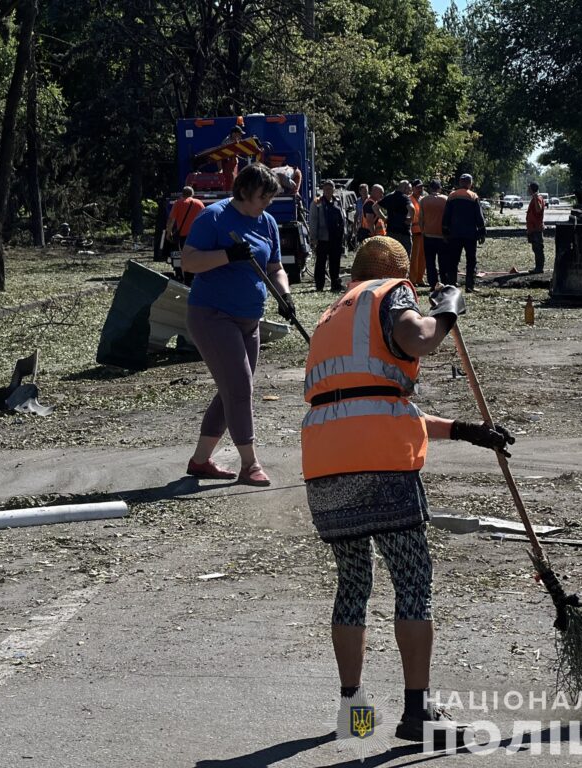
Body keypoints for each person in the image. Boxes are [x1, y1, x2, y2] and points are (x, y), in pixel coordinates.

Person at [301, 235, 515, 743]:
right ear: (402, 274)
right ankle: (417, 714)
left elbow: (375, 402)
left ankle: (353, 711)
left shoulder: (334, 315)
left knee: (353, 585)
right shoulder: (392, 293)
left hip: (326, 466)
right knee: (413, 584)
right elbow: (419, 339)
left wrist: (463, 430)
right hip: (382, 471)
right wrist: (448, 311)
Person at [181, 163, 293, 487]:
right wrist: (227, 255)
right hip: (213, 315)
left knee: (230, 391)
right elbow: (189, 261)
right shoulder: (213, 217)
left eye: (271, 197)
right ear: (244, 191)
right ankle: (250, 464)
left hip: (250, 320)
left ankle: (200, 461)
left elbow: (275, 267)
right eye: (263, 196)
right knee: (240, 387)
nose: (268, 203)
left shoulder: (268, 222)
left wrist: (286, 296)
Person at [441, 173, 486, 291]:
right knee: (471, 260)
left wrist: (445, 232)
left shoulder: (452, 196)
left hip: (454, 234)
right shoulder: (473, 196)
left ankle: (452, 285)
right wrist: (482, 232)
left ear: (460, 183)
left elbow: (446, 216)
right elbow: (479, 216)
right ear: (470, 183)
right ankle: (469, 286)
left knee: (453, 260)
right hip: (470, 235)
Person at [309, 180, 346, 292]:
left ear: (334, 190)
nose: (328, 191)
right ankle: (319, 285)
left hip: (335, 238)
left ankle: (335, 284)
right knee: (320, 262)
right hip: (322, 238)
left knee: (335, 262)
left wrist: (343, 235)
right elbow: (313, 220)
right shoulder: (317, 202)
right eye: (325, 189)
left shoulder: (337, 201)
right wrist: (314, 238)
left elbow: (342, 218)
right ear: (323, 190)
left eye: (330, 189)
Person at [167, 186, 205, 284]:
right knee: (196, 256)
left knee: (185, 257)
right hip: (197, 235)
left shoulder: (178, 203)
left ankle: (187, 280)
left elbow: (171, 220)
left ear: (182, 194)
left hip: (184, 236)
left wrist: (169, 232)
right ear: (192, 194)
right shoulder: (199, 203)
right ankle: (196, 277)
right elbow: (205, 219)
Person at [418, 180, 447, 289]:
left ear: (430, 189)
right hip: (442, 235)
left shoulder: (424, 201)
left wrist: (423, 230)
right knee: (443, 261)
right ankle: (444, 282)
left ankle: (433, 283)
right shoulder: (445, 199)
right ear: (439, 188)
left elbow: (421, 218)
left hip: (428, 235)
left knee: (430, 262)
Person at [378, 180, 413, 257]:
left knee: (391, 257)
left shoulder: (389, 197)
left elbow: (375, 207)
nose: (409, 192)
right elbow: (412, 208)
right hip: (404, 232)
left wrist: (384, 218)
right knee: (405, 258)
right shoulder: (405, 198)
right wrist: (410, 219)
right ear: (404, 188)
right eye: (408, 190)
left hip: (391, 232)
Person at [526, 181, 546, 273]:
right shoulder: (535, 198)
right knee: (535, 249)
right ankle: (538, 267)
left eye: (529, 188)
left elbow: (538, 210)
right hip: (533, 228)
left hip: (536, 228)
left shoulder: (537, 198)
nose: (527, 190)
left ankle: (539, 268)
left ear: (532, 189)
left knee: (538, 249)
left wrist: (535, 199)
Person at [409, 179, 425, 285]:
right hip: (414, 232)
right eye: (418, 187)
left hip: (424, 232)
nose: (421, 189)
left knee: (423, 257)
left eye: (421, 187)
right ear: (413, 188)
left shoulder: (423, 199)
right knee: (414, 257)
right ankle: (413, 279)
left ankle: (420, 278)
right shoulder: (408, 199)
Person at [219, 124, 245, 188]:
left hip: (234, 163)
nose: (240, 135)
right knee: (230, 179)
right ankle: (228, 193)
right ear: (234, 133)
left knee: (234, 178)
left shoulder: (237, 139)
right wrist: (220, 169)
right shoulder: (226, 142)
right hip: (228, 164)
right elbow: (221, 155)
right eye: (239, 134)